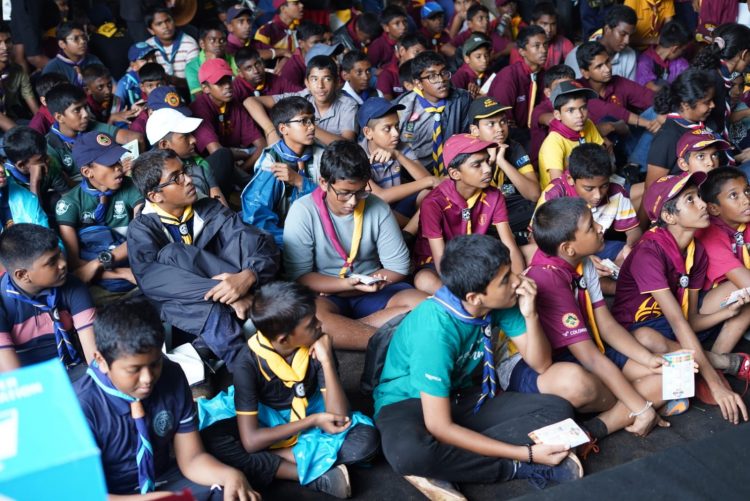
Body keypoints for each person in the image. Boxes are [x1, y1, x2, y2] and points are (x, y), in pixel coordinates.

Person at [375, 234, 582, 500]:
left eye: (511, 271)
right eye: (506, 280)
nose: (517, 281)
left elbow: (541, 364)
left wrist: (531, 315)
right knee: (410, 454)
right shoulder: (435, 330)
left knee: (557, 409)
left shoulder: (500, 300)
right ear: (474, 298)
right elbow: (439, 425)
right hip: (406, 401)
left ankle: (447, 462)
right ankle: (513, 468)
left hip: (461, 395)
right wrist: (527, 454)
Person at [74, 297, 261, 500]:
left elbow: (192, 459)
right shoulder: (79, 407)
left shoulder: (172, 375)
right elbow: (80, 494)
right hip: (110, 495)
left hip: (163, 479)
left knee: (231, 492)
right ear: (101, 360)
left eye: (155, 364)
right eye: (133, 370)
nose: (147, 378)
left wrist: (230, 475)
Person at [523, 198, 666, 449]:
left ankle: (597, 427)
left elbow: (606, 326)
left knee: (672, 377)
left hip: (583, 349)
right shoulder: (549, 279)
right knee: (577, 383)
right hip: (539, 364)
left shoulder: (584, 262)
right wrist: (641, 407)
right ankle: (636, 407)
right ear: (568, 248)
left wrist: (647, 359)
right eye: (591, 227)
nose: (601, 228)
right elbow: (589, 358)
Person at [613, 172, 750, 424]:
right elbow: (678, 322)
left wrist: (726, 313)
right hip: (638, 335)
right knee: (646, 337)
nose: (702, 204)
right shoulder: (649, 253)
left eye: (698, 196)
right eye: (690, 200)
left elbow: (690, 319)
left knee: (740, 296)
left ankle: (697, 371)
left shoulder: (695, 251)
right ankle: (722, 364)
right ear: (668, 217)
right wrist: (717, 386)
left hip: (673, 329)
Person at [128, 149, 279, 371]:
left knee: (248, 239)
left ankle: (209, 352)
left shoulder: (209, 207)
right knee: (172, 257)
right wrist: (226, 292)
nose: (189, 179)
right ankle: (246, 365)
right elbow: (151, 280)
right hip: (189, 305)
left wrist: (248, 276)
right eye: (176, 178)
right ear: (155, 196)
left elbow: (260, 244)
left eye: (185, 171)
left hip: (236, 285)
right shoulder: (142, 228)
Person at [233, 281, 380, 498]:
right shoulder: (246, 364)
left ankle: (279, 460)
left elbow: (339, 418)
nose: (320, 325)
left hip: (314, 410)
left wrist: (327, 361)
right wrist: (313, 421)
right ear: (284, 339)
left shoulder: (317, 345)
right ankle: (311, 469)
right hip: (271, 420)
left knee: (366, 442)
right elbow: (252, 441)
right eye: (311, 324)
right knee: (218, 442)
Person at [283, 140, 426, 350]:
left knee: (428, 306)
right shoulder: (302, 211)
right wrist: (344, 286)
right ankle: (388, 340)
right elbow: (300, 276)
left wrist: (363, 284)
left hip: (374, 288)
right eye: (344, 193)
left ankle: (350, 330)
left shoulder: (377, 208)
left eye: (360, 192)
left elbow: (398, 267)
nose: (353, 202)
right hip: (328, 293)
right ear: (323, 182)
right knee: (310, 318)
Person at [414, 134, 525, 294]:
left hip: (477, 254)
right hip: (442, 262)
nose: (487, 169)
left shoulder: (494, 195)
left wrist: (518, 284)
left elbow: (509, 245)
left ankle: (489, 296)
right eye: (477, 165)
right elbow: (442, 262)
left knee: (532, 251)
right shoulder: (433, 203)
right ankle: (475, 301)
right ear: (455, 174)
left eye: (487, 161)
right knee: (424, 280)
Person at [56, 132, 141, 301]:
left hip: (133, 262)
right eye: (110, 163)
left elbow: (142, 235)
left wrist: (98, 263)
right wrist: (122, 273)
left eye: (117, 160)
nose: (118, 167)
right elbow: (75, 263)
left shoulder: (131, 187)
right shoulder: (69, 204)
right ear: (87, 171)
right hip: (106, 279)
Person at [0, 223, 95, 374]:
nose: (63, 264)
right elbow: (15, 378)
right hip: (28, 380)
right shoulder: (3, 301)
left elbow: (94, 357)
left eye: (59, 254)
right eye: (52, 262)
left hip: (73, 370)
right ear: (22, 275)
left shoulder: (73, 286)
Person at [537, 144, 641, 265]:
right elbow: (537, 242)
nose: (598, 195)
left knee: (633, 256)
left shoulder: (616, 192)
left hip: (599, 246)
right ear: (570, 179)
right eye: (589, 188)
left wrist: (629, 247)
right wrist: (586, 260)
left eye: (604, 186)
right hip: (568, 256)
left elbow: (634, 231)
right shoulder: (553, 195)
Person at [241, 96, 323, 248]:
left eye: (312, 120)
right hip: (286, 239)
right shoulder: (271, 163)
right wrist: (294, 243)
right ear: (283, 129)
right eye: (303, 121)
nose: (312, 127)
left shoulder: (323, 156)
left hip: (321, 232)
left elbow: (337, 200)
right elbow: (258, 218)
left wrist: (301, 182)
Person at [468, 96, 539, 243]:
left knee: (542, 210)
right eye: (491, 124)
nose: (500, 129)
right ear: (475, 130)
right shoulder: (467, 152)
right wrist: (490, 161)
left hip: (511, 207)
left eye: (503, 121)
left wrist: (502, 161)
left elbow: (534, 195)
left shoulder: (514, 147)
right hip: (482, 211)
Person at [357, 97, 437, 227]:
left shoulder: (399, 146)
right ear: (368, 132)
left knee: (429, 194)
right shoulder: (357, 156)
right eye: (387, 129)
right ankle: (412, 231)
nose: (396, 133)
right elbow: (381, 197)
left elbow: (427, 180)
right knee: (379, 210)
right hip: (378, 209)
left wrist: (398, 155)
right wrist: (430, 181)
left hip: (399, 203)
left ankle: (415, 229)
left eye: (397, 126)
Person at [252, 55, 358, 145]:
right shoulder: (301, 97)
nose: (320, 86)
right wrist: (270, 130)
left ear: (337, 82)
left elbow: (348, 146)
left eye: (327, 79)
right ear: (307, 83)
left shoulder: (348, 105)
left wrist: (308, 126)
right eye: (314, 79)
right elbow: (251, 102)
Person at [45, 83, 142, 183]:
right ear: (59, 117)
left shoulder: (90, 126)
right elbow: (65, 186)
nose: (85, 114)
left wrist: (128, 163)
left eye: (85, 107)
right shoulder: (49, 146)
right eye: (77, 110)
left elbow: (137, 138)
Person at [395, 51, 471, 176]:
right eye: (432, 76)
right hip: (415, 173)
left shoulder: (462, 99)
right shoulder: (404, 107)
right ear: (418, 83)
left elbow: (467, 137)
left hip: (453, 170)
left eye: (443, 73)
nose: (441, 80)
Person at [646, 68, 719, 190]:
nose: (713, 105)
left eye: (712, 100)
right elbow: (652, 189)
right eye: (707, 102)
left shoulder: (702, 123)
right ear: (686, 105)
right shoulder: (667, 138)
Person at [189, 58, 266, 172]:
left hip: (238, 163)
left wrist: (244, 169)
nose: (227, 86)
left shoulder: (235, 104)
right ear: (205, 88)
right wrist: (246, 155)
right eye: (220, 83)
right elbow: (218, 154)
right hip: (209, 169)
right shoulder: (199, 109)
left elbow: (262, 145)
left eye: (229, 80)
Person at [693, 23, 750, 164]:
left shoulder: (713, 74)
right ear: (744, 54)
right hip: (706, 162)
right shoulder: (714, 83)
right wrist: (738, 159)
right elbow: (707, 132)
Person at [147, 107, 227, 206]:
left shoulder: (198, 163)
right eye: (185, 136)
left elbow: (221, 205)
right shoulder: (148, 178)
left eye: (191, 134)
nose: (194, 140)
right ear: (164, 145)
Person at [488, 25, 548, 146]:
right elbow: (504, 121)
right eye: (537, 46)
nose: (543, 50)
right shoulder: (509, 77)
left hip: (533, 131)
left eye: (545, 44)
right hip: (509, 137)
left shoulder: (544, 75)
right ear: (522, 51)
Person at [538, 81, 604, 189]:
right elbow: (559, 187)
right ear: (557, 115)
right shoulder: (553, 143)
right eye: (571, 110)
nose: (579, 115)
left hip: (592, 186)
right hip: (564, 195)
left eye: (583, 108)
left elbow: (602, 161)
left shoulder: (588, 125)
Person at [576, 41, 654, 114]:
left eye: (607, 61)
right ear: (585, 73)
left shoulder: (619, 82)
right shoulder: (577, 89)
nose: (607, 69)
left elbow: (648, 97)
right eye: (599, 66)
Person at [3, 126, 67, 213]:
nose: (48, 159)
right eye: (41, 159)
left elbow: (68, 196)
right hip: (20, 214)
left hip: (42, 203)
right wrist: (34, 183)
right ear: (21, 165)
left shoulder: (47, 163)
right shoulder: (6, 181)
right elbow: (33, 216)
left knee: (58, 200)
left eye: (46, 154)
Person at [565, 5, 638, 80]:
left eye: (630, 35)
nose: (627, 41)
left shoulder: (630, 55)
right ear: (607, 29)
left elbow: (630, 87)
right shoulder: (575, 57)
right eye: (622, 34)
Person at [145, 7, 200, 88]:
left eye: (168, 21)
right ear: (151, 30)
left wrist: (169, 79)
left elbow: (195, 81)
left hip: (186, 90)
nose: (165, 26)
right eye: (159, 24)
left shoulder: (189, 44)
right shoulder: (147, 47)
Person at [509, 2, 574, 70]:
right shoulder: (520, 47)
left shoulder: (563, 42)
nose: (549, 29)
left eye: (553, 24)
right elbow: (516, 73)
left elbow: (575, 65)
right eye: (544, 24)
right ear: (532, 24)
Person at [185, 21, 239, 101]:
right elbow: (200, 97)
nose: (218, 44)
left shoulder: (232, 60)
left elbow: (241, 86)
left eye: (222, 40)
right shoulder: (192, 67)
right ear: (202, 43)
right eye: (212, 40)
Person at [42, 21, 105, 86]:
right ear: (62, 44)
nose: (82, 41)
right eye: (76, 38)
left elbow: (108, 83)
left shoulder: (93, 59)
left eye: (84, 37)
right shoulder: (52, 68)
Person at [635, 20, 691, 91]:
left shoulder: (680, 62)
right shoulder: (644, 62)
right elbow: (651, 88)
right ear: (675, 49)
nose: (682, 54)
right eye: (682, 50)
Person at [0, 22, 38, 127]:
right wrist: (20, 133)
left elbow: (30, 99)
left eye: (7, 41)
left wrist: (42, 126)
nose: (4, 47)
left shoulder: (17, 70)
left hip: (12, 119)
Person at [233, 47, 302, 100]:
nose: (256, 71)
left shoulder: (275, 80)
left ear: (263, 63)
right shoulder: (235, 89)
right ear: (240, 73)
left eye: (258, 64)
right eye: (249, 69)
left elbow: (300, 93)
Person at [376, 33, 426, 100]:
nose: (420, 58)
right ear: (402, 51)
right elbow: (386, 103)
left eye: (423, 54)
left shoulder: (425, 73)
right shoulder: (387, 75)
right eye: (416, 52)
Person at [253, 0, 305, 64]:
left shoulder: (300, 28)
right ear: (283, 8)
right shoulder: (265, 31)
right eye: (296, 3)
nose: (301, 5)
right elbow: (256, 57)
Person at [278, 21, 326, 90]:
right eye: (315, 42)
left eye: (322, 41)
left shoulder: (324, 56)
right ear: (301, 44)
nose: (321, 46)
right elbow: (294, 95)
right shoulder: (292, 68)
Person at [114, 42, 158, 111]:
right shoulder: (125, 84)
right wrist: (133, 111)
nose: (151, 62)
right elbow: (115, 111)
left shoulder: (160, 76)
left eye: (153, 57)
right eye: (144, 59)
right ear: (133, 66)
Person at [368, 6, 409, 70]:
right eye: (397, 23)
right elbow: (370, 69)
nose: (403, 27)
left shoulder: (411, 41)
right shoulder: (377, 46)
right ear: (386, 27)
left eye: (405, 21)